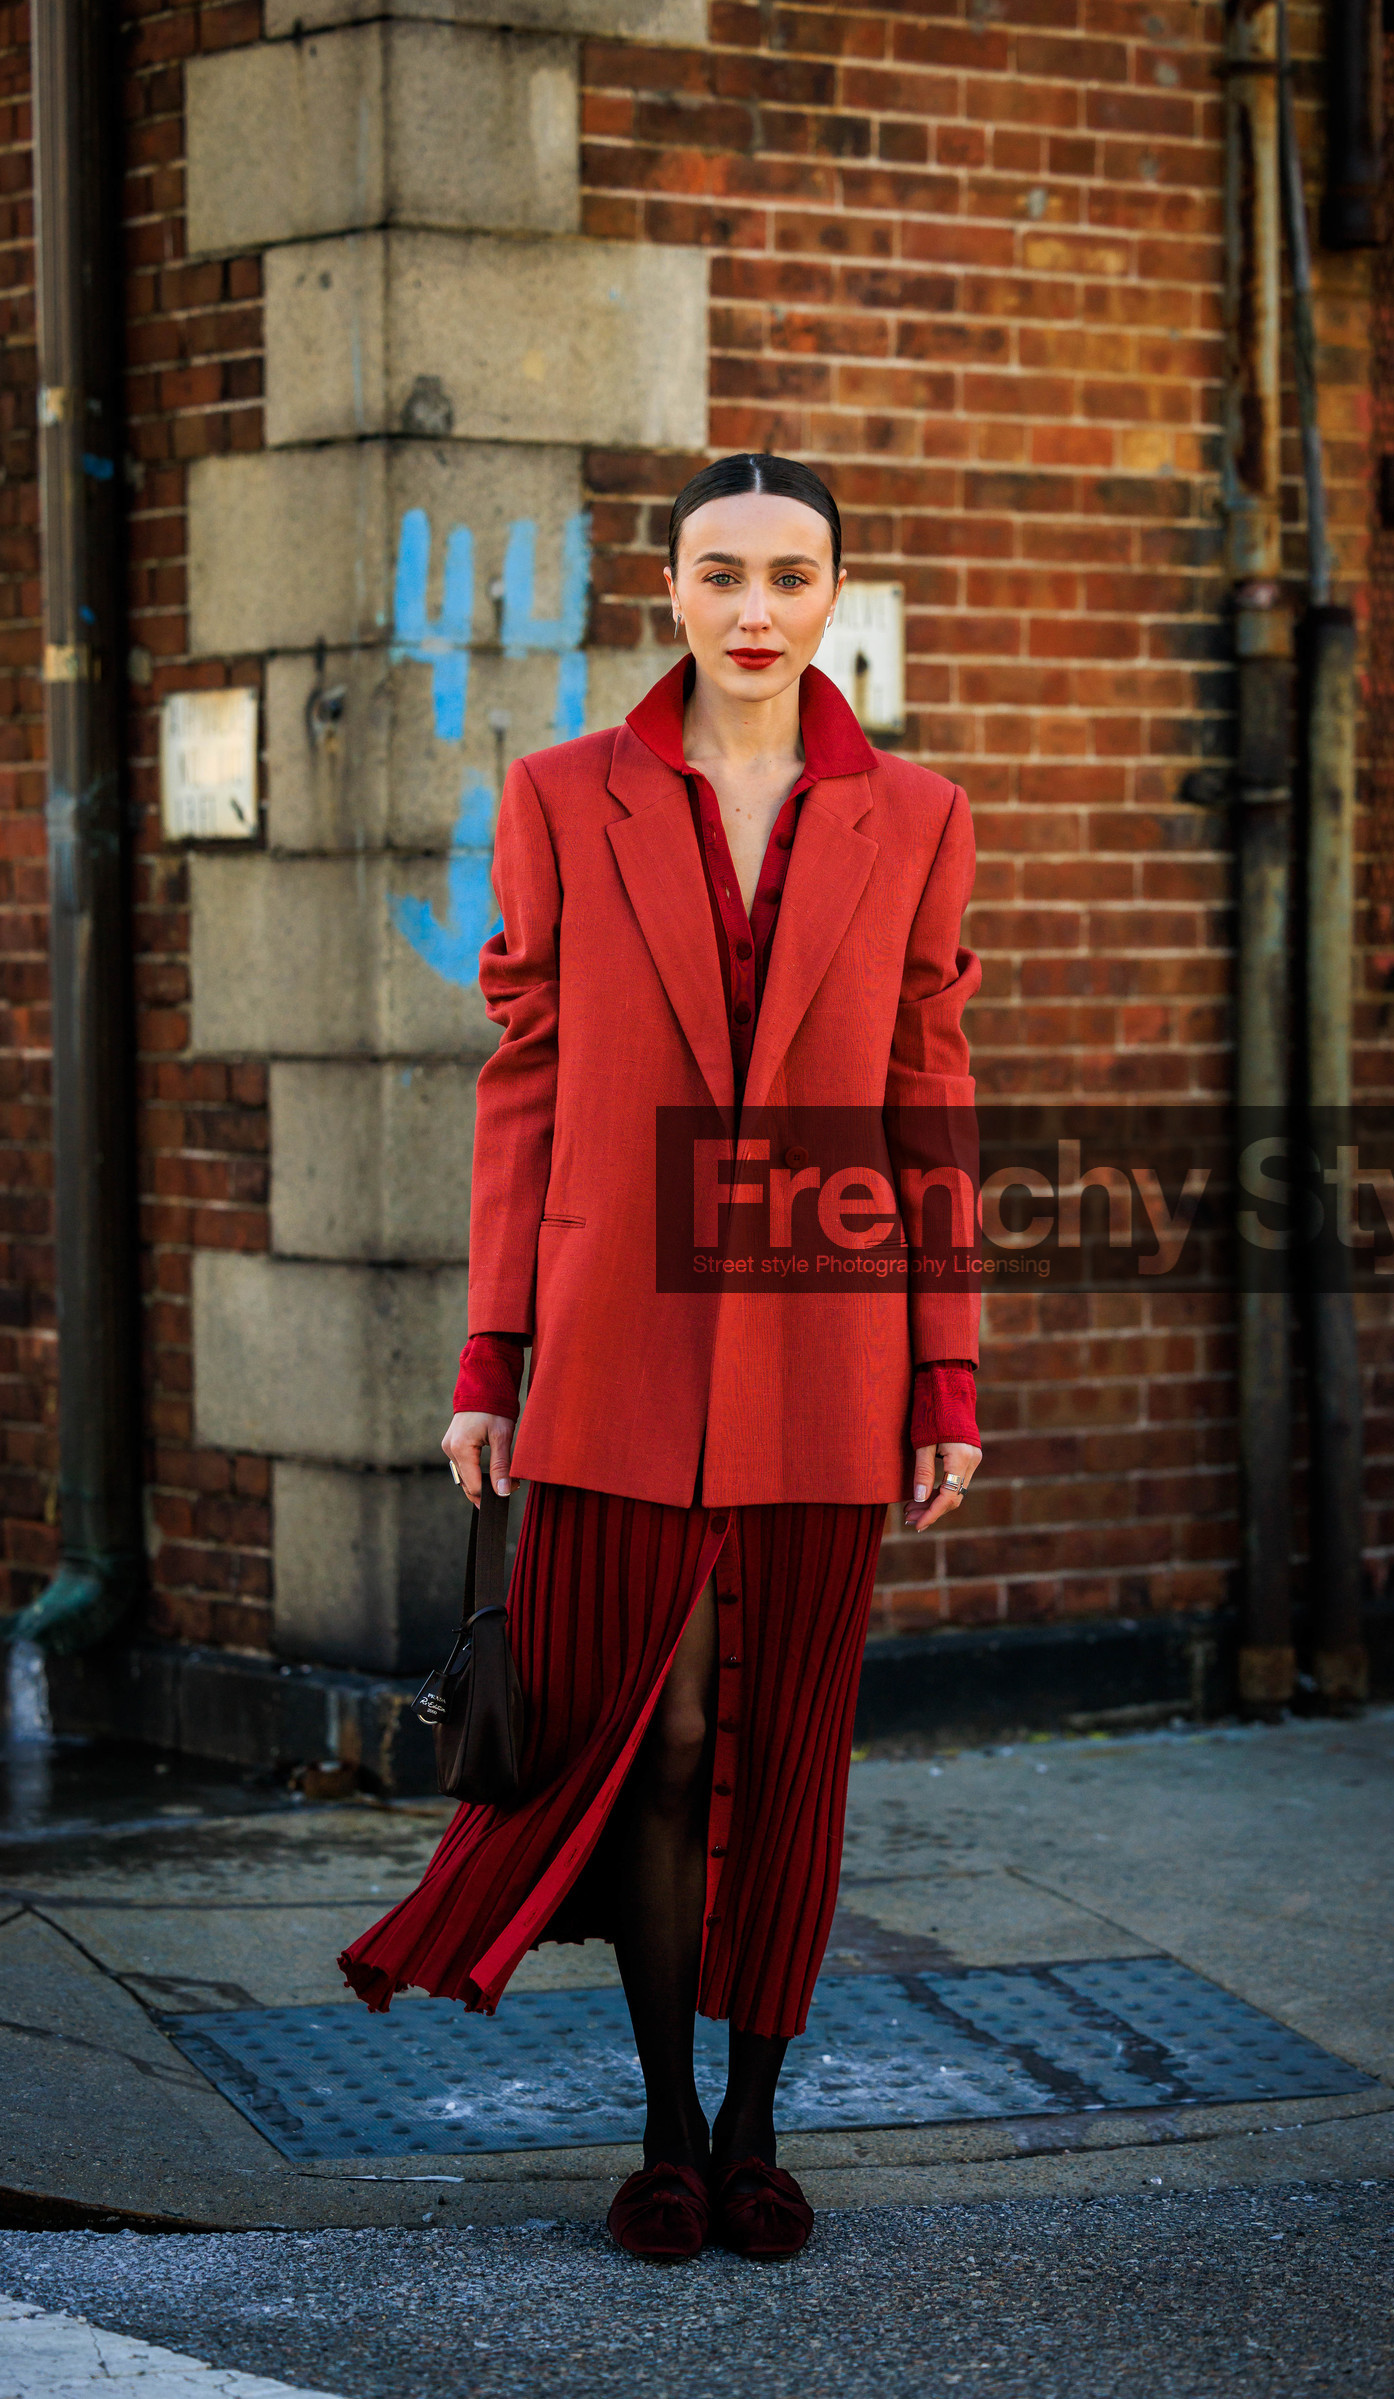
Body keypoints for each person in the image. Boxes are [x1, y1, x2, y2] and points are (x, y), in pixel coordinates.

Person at [339, 453, 982, 2263]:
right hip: (615, 1351)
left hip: (830, 1350)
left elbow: (930, 1096)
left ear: (836, 590)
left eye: (792, 574)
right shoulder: (561, 795)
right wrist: (491, 1355)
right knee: (666, 1738)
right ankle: (670, 2126)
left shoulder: (920, 814)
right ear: (672, 589)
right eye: (721, 572)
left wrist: (946, 1375)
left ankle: (763, 2127)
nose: (756, 609)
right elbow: (525, 1087)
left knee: (789, 1749)